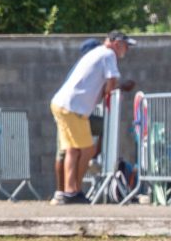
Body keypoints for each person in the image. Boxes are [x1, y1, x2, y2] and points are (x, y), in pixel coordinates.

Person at [50, 31, 129, 203]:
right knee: (85, 150)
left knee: (72, 149)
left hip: (64, 104)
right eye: (126, 45)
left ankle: (70, 192)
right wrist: (112, 91)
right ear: (116, 43)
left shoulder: (98, 52)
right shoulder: (108, 54)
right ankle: (72, 191)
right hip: (72, 107)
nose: (127, 49)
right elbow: (112, 81)